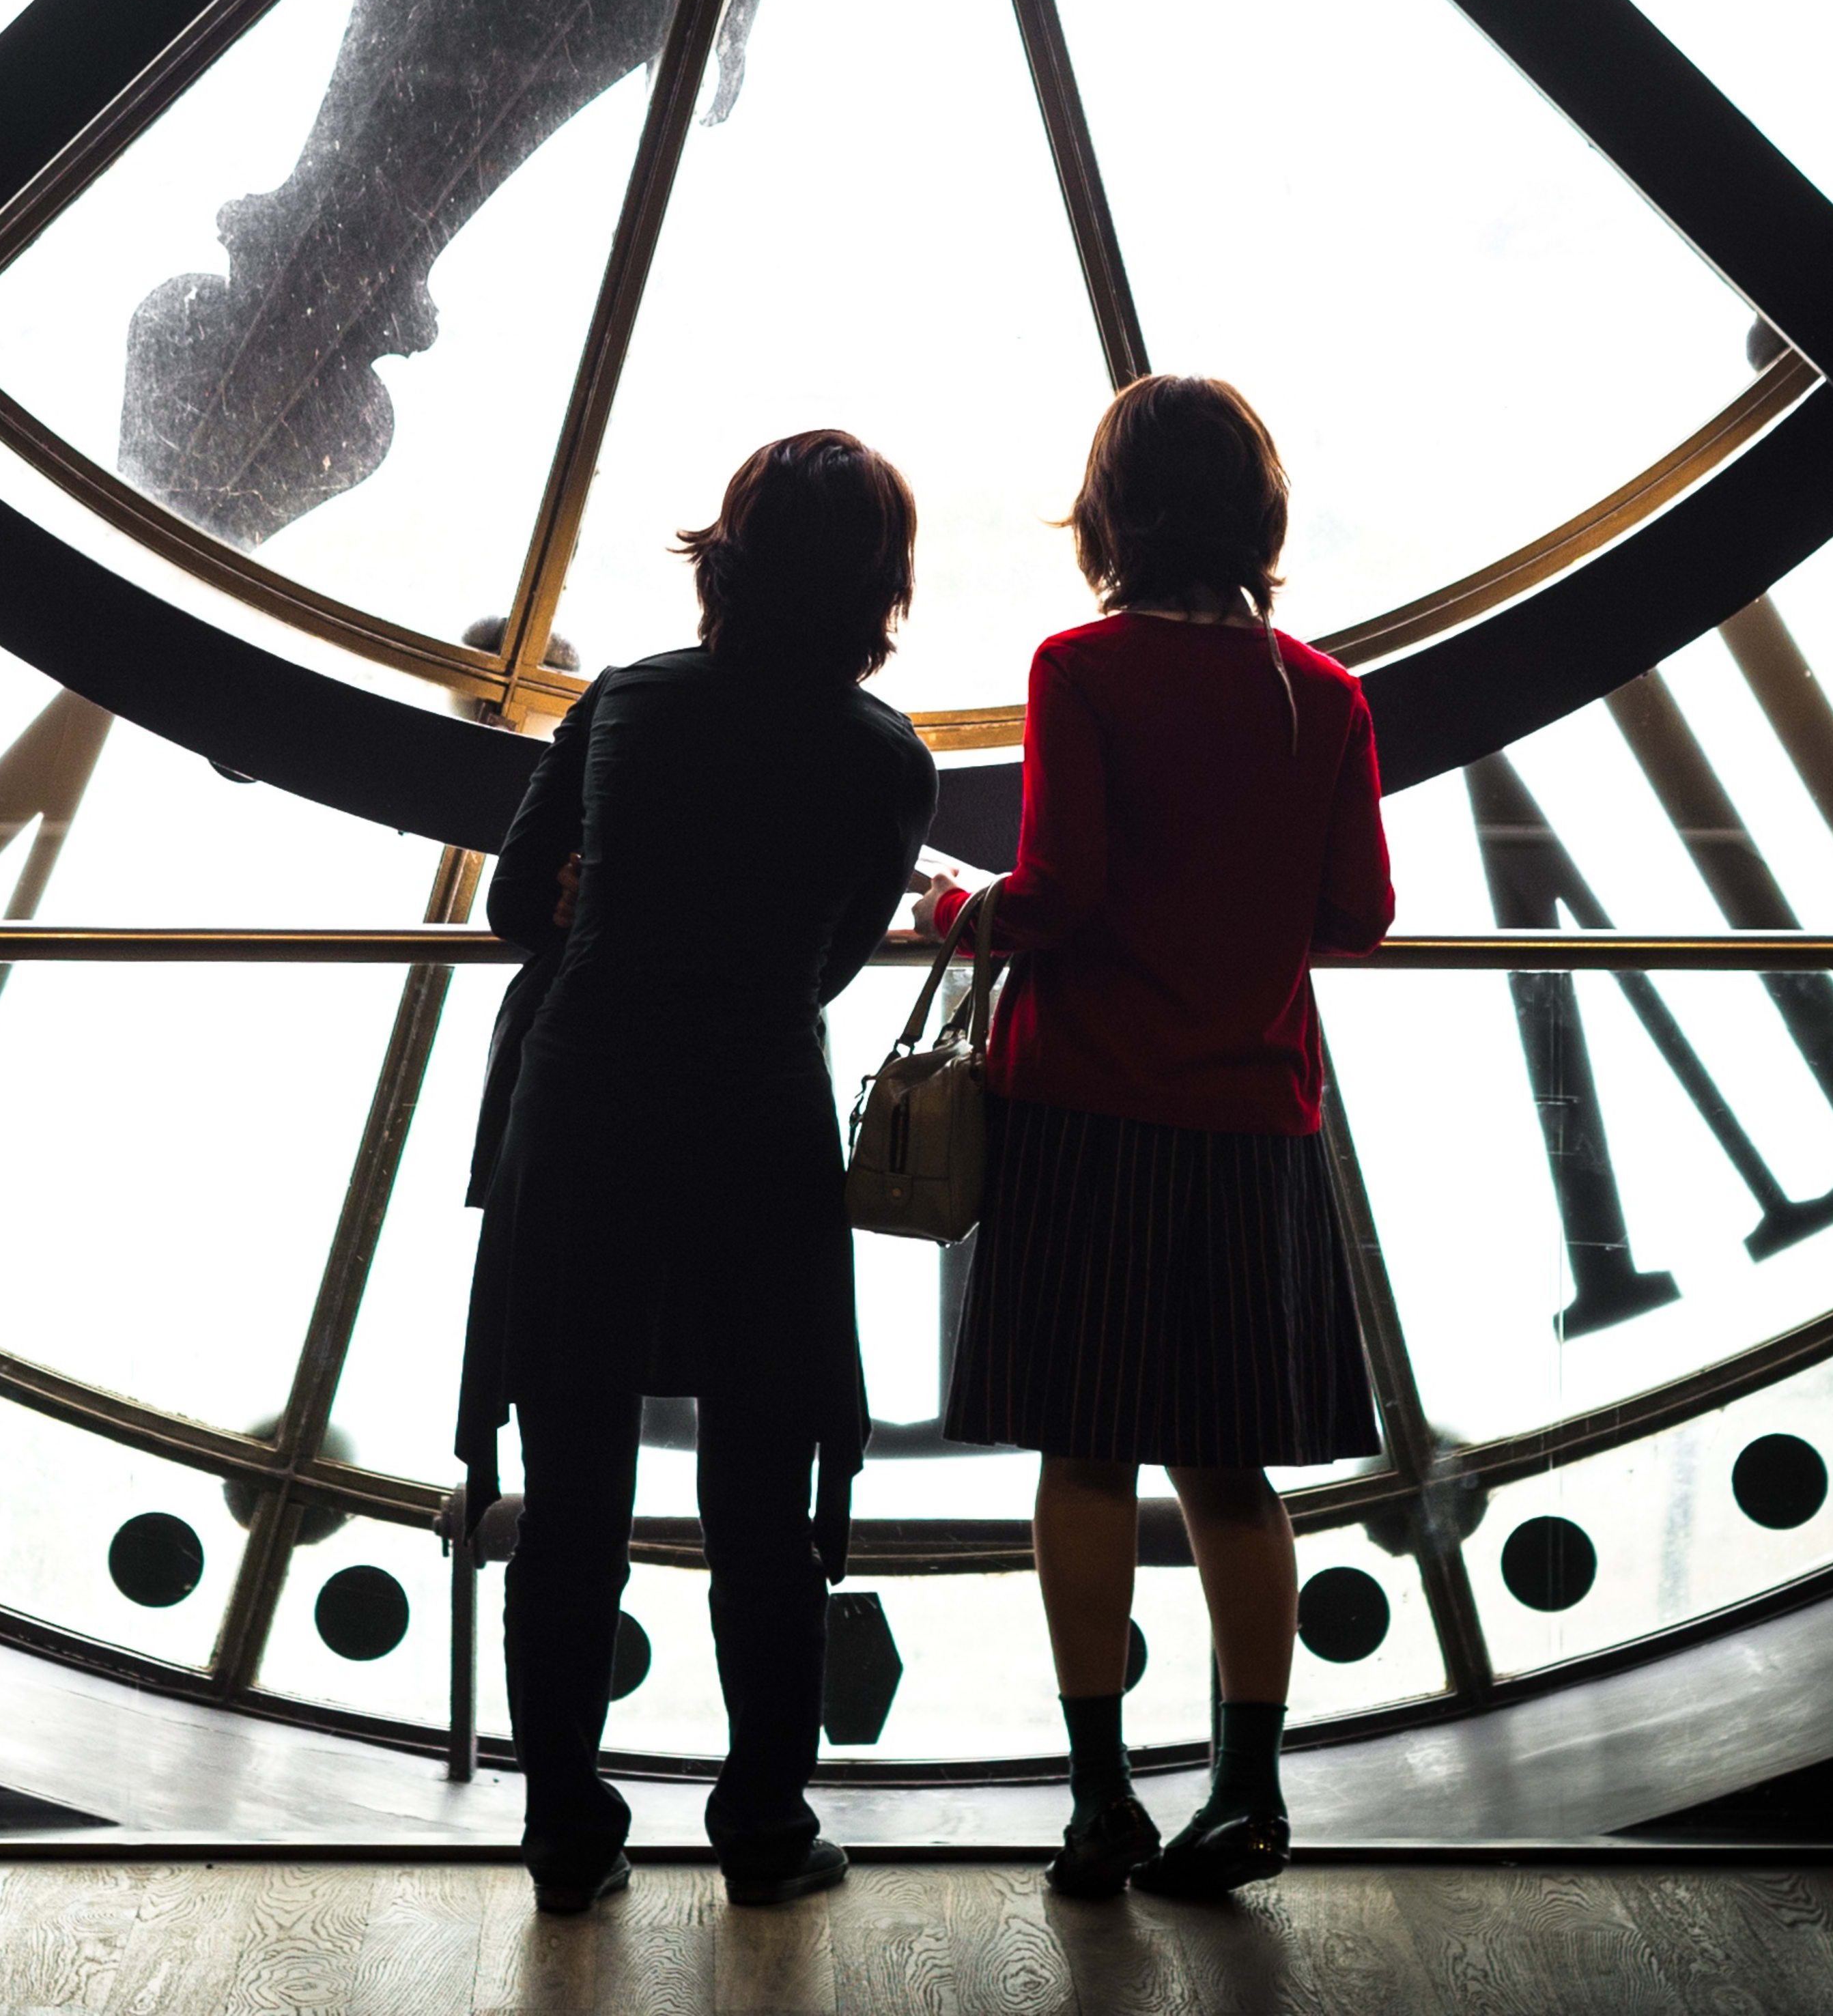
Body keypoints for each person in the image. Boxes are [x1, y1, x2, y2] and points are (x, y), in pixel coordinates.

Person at [920, 375, 1392, 1901]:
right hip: (1252, 1115)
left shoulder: (1082, 669)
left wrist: (954, 912)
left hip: (1088, 1114)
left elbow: (1054, 893)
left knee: (1086, 1460)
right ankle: (1247, 1792)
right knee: (1234, 1474)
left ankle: (1100, 1798)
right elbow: (1358, 917)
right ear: (1258, 517)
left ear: (1112, 515)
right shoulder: (1323, 695)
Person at [457, 431, 937, 1916]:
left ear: (722, 560)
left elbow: (508, 918)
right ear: (878, 588)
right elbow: (831, 964)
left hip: (589, 1103)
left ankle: (562, 1825)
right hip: (758, 1120)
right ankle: (763, 1824)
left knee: (573, 1484)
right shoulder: (887, 760)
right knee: (765, 1503)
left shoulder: (627, 704)